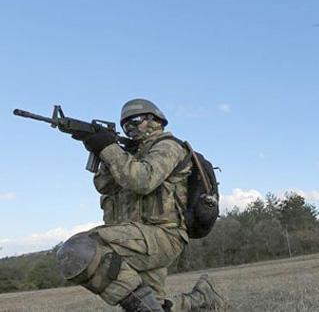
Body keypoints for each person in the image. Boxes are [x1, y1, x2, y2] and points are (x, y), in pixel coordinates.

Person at [55, 99, 226, 311]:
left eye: (135, 120)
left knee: (79, 249)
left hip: (163, 235)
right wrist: (103, 149)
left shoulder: (168, 146)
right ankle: (202, 299)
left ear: (155, 120)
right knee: (154, 305)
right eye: (126, 125)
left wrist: (109, 148)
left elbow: (143, 180)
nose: (130, 128)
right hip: (138, 237)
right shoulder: (130, 156)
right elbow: (104, 185)